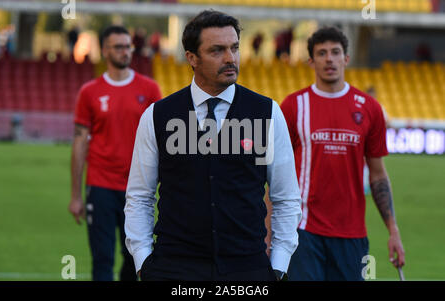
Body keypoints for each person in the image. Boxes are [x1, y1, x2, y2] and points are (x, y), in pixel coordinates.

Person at [124, 10, 302, 281]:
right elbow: (139, 196)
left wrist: (279, 265)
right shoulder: (158, 115)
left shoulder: (267, 112)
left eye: (234, 48)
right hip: (174, 268)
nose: (230, 58)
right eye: (217, 50)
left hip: (247, 268)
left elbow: (286, 197)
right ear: (192, 58)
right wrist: (143, 262)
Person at [280, 27, 405, 281]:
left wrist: (393, 231)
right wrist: (270, 231)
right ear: (311, 61)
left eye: (335, 52)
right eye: (322, 53)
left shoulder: (369, 108)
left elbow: (378, 175)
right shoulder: (293, 106)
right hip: (303, 230)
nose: (329, 59)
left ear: (346, 59)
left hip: (352, 235)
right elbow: (277, 173)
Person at [68, 25, 162, 281]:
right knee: (102, 258)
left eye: (127, 46)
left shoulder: (150, 89)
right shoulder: (90, 92)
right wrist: (76, 195)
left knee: (136, 257)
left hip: (138, 189)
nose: (125, 51)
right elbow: (79, 143)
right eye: (118, 46)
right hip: (100, 186)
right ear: (105, 50)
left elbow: (160, 141)